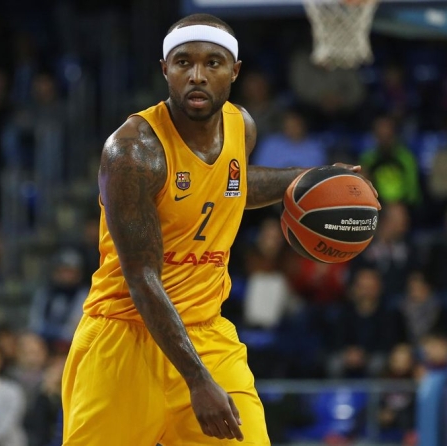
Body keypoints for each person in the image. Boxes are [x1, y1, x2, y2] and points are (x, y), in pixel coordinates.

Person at [61, 14, 379, 445]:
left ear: (235, 71)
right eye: (183, 63)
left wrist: (307, 179)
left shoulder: (240, 126)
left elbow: (233, 185)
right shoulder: (132, 151)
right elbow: (142, 278)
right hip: (124, 339)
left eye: (212, 63)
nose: (197, 75)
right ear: (165, 70)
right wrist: (197, 379)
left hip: (206, 333)